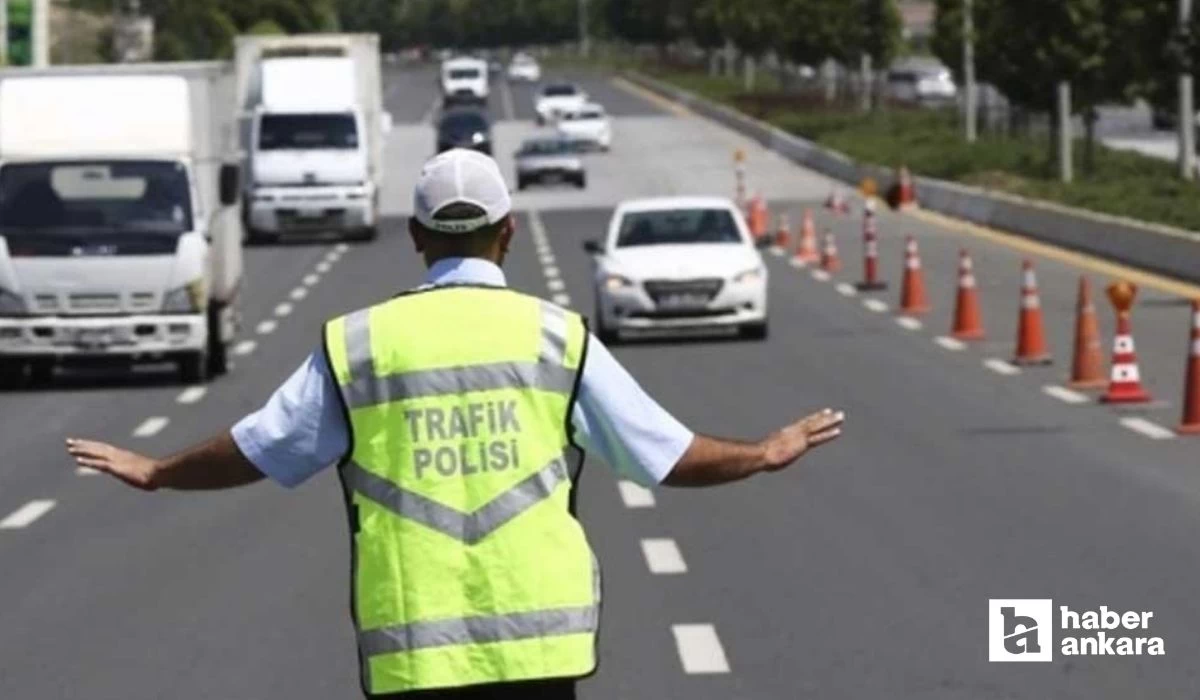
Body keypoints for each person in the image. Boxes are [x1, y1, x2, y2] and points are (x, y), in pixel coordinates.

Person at [65, 149, 846, 700]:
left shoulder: (359, 344)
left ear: (415, 237)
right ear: (506, 234)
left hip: (414, 653)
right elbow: (666, 456)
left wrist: (158, 471)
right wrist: (764, 452)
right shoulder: (556, 336)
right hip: (542, 650)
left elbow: (262, 448)